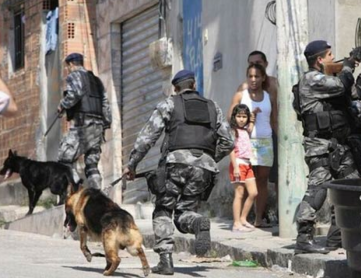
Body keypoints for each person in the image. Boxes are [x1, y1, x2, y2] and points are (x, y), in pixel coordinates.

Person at [123, 70, 234, 275]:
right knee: (185, 211)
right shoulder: (213, 107)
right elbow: (228, 142)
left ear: (176, 88)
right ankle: (196, 222)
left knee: (164, 210)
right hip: (205, 168)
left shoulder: (169, 104)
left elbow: (147, 137)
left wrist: (132, 165)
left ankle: (166, 260)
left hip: (175, 165)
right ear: (194, 84)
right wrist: (208, 159)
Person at [293, 40, 361, 254]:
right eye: (330, 55)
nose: (334, 58)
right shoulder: (312, 80)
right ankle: (303, 239)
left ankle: (338, 239)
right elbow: (342, 84)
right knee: (318, 192)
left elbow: (357, 91)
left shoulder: (330, 82)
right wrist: (351, 62)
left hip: (342, 146)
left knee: (351, 191)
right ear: (320, 59)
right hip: (320, 146)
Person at [231, 51, 279, 226]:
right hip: (246, 144)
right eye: (250, 76)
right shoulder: (240, 94)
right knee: (244, 182)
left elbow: (274, 121)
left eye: (257, 76)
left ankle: (259, 218)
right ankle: (240, 219)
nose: (253, 79)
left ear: (262, 77)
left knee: (263, 180)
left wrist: (281, 142)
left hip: (265, 142)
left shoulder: (270, 95)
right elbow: (231, 120)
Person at [57, 53, 112, 189]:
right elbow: (105, 103)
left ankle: (76, 190)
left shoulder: (74, 76)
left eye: (67, 67)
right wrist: (106, 123)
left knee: (64, 158)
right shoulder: (96, 81)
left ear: (71, 64)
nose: (68, 70)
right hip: (98, 127)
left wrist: (62, 105)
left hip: (83, 125)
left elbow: (75, 93)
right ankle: (97, 195)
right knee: (92, 165)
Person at [229, 104, 258, 232]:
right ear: (234, 117)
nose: (241, 119)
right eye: (239, 116)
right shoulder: (232, 131)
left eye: (244, 116)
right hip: (238, 164)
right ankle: (236, 223)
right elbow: (231, 150)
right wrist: (235, 166)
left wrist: (253, 116)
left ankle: (243, 218)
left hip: (248, 164)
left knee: (253, 193)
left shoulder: (246, 130)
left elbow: (251, 125)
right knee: (239, 194)